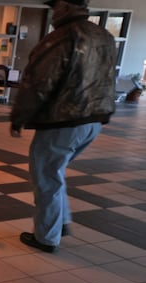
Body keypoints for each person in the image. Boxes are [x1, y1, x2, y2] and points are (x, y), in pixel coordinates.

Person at [10, 0, 117, 253]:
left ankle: (46, 238)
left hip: (63, 120)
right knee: (54, 172)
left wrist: (20, 115)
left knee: (46, 177)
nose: (53, 12)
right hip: (94, 119)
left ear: (68, 7)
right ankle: (61, 222)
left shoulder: (61, 38)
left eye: (56, 6)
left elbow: (39, 81)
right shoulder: (104, 36)